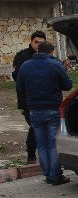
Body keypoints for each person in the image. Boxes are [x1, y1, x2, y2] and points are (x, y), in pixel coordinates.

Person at [16, 41, 72, 186]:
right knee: (53, 144)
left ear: (38, 51)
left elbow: (19, 87)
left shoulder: (25, 66)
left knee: (41, 144)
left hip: (34, 109)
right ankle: (55, 176)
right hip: (52, 108)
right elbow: (68, 85)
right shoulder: (55, 65)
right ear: (51, 52)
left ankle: (47, 174)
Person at [12, 30, 46, 163]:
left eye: (41, 43)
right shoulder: (22, 56)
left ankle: (46, 157)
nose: (38, 45)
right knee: (35, 127)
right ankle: (31, 154)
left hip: (45, 99)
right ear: (31, 42)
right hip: (28, 100)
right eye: (36, 42)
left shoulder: (48, 57)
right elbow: (16, 77)